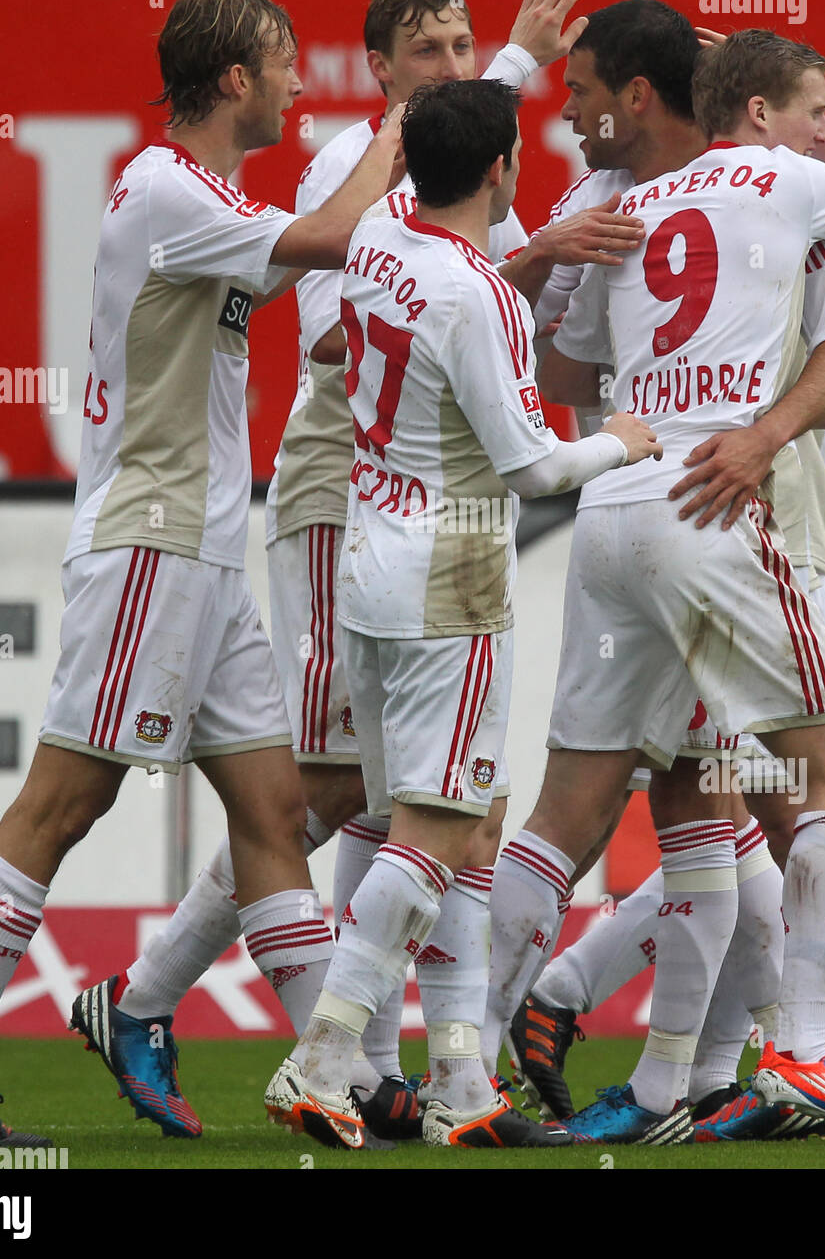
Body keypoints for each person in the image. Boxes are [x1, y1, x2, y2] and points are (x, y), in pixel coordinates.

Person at [69, 0, 644, 1143]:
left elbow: (435, 303)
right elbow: (350, 338)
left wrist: (523, 263)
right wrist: (616, 419)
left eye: (460, 44)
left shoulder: (417, 224)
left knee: (411, 808)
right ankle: (294, 1038)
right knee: (374, 800)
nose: (446, 65)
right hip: (373, 511)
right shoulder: (358, 171)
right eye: (423, 48)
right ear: (378, 71)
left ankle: (446, 1081)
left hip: (391, 521)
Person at [0, 0, 405, 1151]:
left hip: (210, 551)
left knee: (274, 809)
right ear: (231, 80)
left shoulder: (203, 200)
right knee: (67, 799)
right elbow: (326, 239)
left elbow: (294, 282)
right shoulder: (166, 186)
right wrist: (403, 128)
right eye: (279, 65)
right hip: (151, 541)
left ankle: (333, 1069)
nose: (295, 84)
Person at [514, 80, 825, 1144]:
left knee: (715, 813)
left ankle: (689, 1077)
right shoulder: (823, 223)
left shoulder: (702, 202)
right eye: (811, 103)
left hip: (668, 522)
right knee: (798, 804)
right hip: (770, 547)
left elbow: (568, 360)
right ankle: (760, 1054)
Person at [263, 77, 660, 1151]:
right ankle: (323, 1056)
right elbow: (532, 469)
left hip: (371, 561)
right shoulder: (473, 292)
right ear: (500, 169)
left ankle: (460, 1085)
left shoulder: (380, 246)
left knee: (461, 826)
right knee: (438, 833)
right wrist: (623, 440)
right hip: (452, 576)